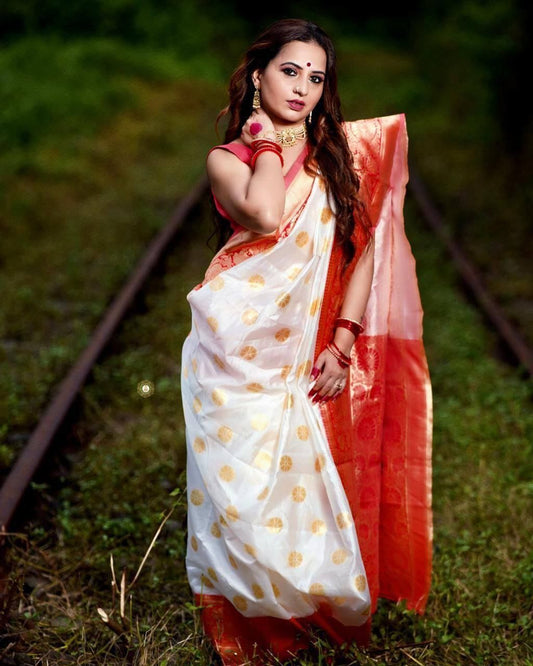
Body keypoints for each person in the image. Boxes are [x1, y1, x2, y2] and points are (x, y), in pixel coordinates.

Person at [181, 18, 432, 665]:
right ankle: (247, 630)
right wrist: (265, 144)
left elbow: (364, 245)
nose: (301, 87)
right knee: (238, 495)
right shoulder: (225, 159)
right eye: (289, 71)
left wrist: (343, 339)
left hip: (301, 353)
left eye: (315, 77)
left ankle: (298, 623)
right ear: (257, 74)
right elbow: (265, 214)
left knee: (294, 487)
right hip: (232, 352)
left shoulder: (334, 159)